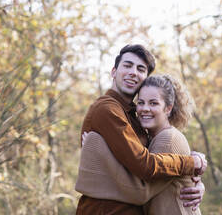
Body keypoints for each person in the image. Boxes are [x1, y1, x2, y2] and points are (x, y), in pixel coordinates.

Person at [75, 44, 207, 214]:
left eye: (140, 69)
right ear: (113, 72)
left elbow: (155, 174)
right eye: (127, 65)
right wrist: (190, 164)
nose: (133, 72)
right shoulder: (108, 110)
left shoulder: (135, 118)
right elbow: (144, 165)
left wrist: (194, 180)